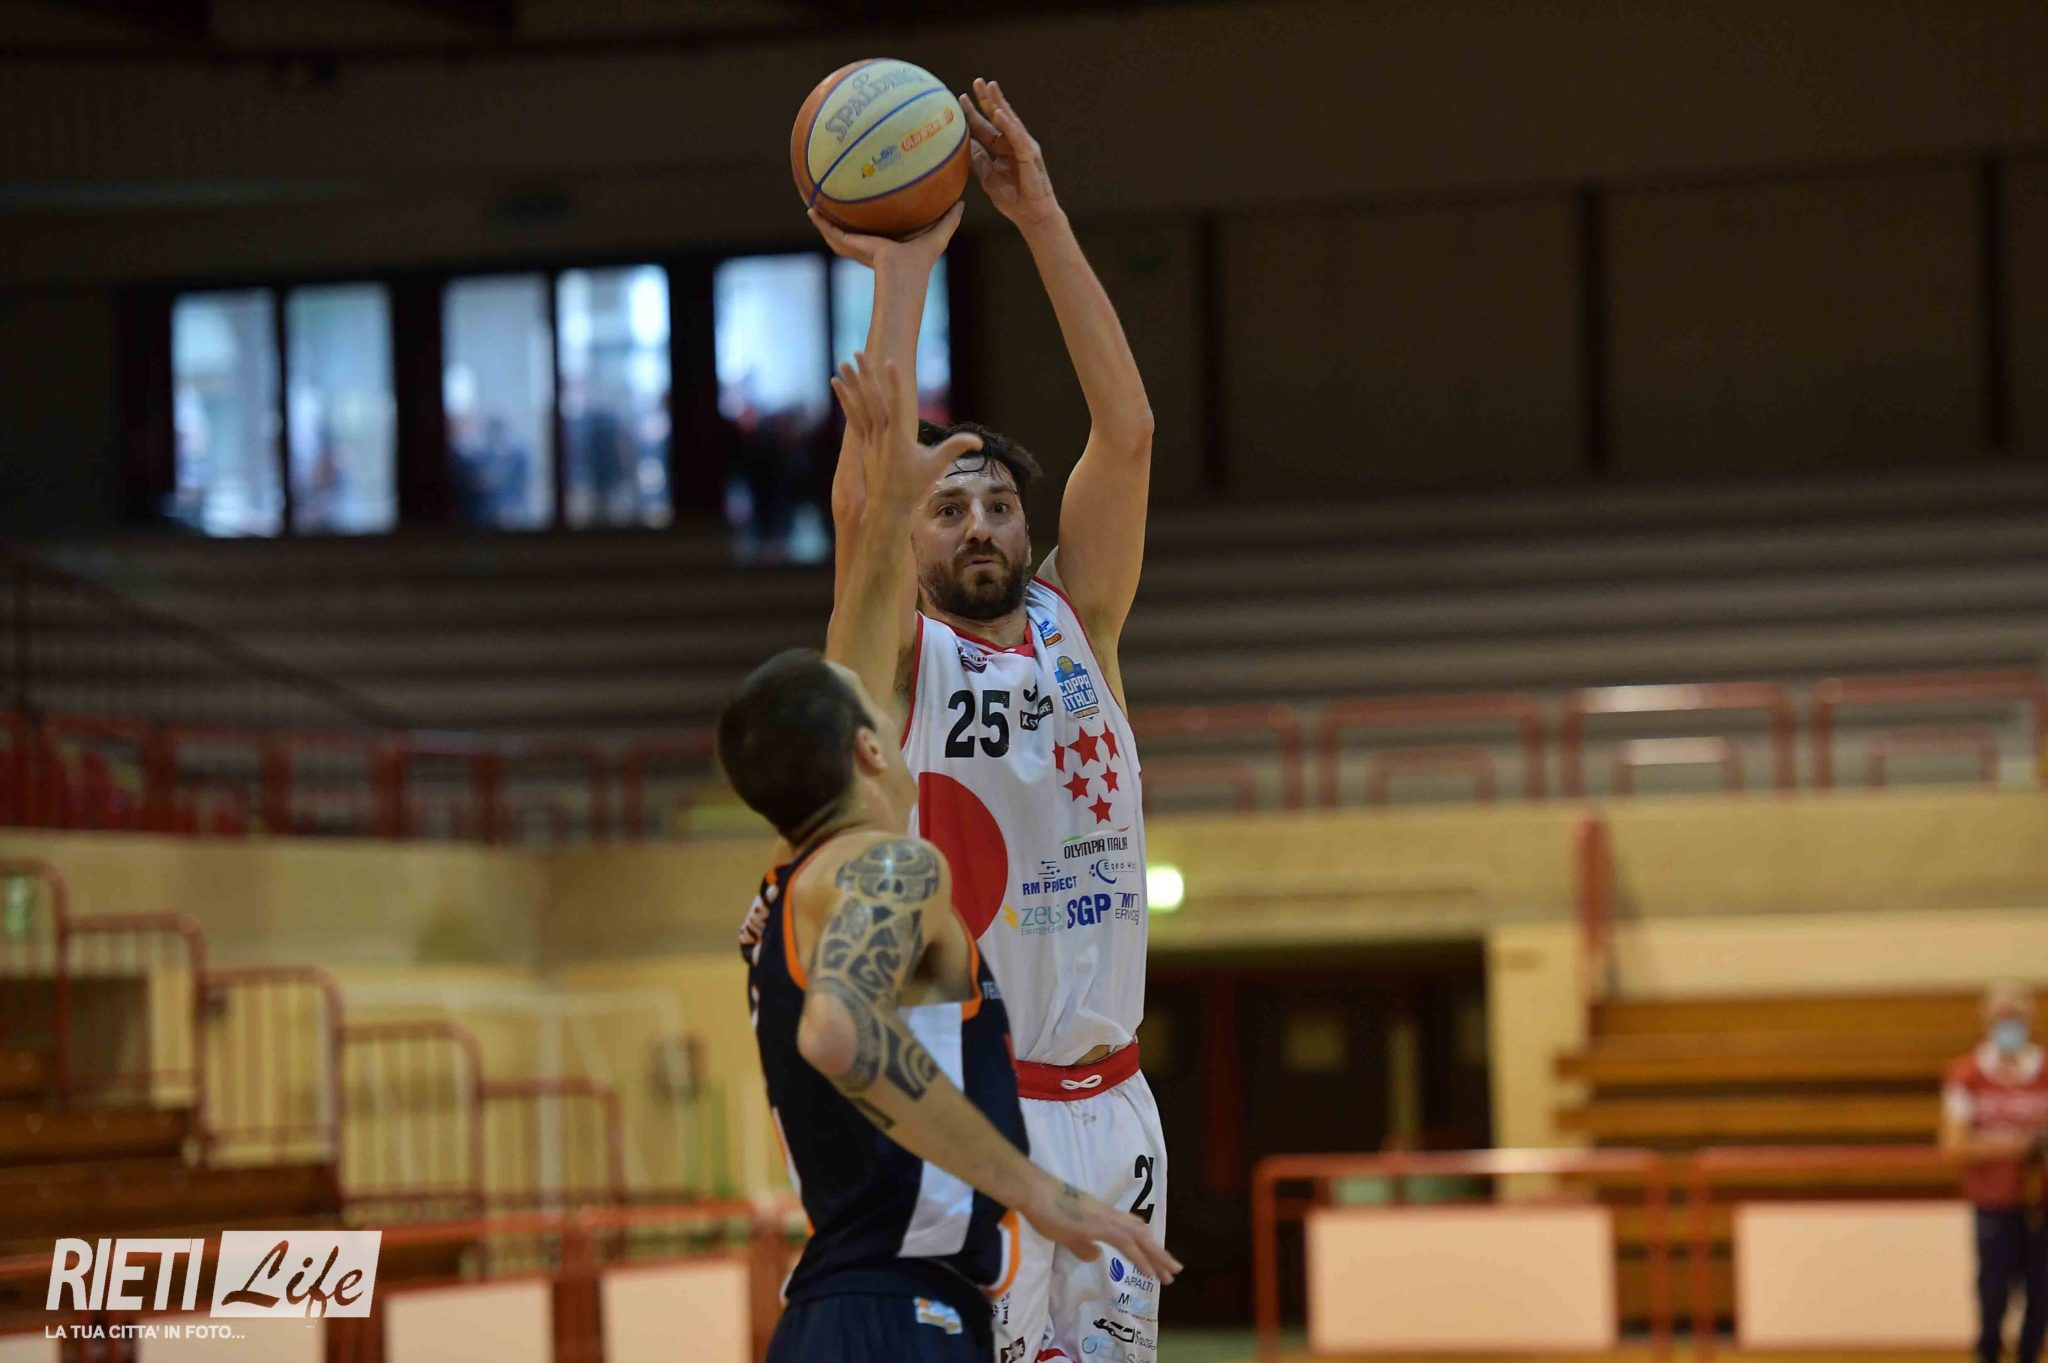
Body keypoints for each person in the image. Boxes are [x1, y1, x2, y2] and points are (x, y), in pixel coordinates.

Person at [816, 76, 1163, 1363]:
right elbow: (863, 509)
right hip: (979, 1116)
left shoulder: (1086, 625)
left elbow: (1125, 431)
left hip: (1115, 1108)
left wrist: (1040, 216)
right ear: (911, 542)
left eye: (998, 504)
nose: (977, 522)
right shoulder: (902, 665)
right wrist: (904, 268)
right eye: (946, 505)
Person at [719, 642, 1176, 1363]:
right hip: (899, 1314)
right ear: (871, 748)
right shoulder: (891, 862)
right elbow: (839, 1031)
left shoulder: (781, 899)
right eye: (880, 709)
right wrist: (1036, 1189)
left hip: (834, 1313)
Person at [1941, 981, 2048, 1363]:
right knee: (1993, 1289)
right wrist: (2018, 1146)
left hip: (2041, 1202)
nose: (2009, 1025)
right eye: (2001, 1018)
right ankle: (1988, 1352)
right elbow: (1954, 1144)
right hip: (1992, 1201)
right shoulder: (1967, 1073)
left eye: (2015, 1017)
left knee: (2041, 1290)